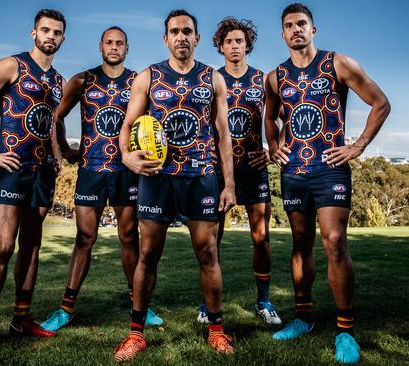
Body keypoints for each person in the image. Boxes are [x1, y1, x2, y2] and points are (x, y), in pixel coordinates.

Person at [264, 3, 390, 364]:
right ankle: (303, 318)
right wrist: (274, 146)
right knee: (301, 243)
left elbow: (380, 103)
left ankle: (345, 330)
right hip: (294, 173)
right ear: (283, 34)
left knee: (334, 242)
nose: (295, 30)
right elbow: (269, 118)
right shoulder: (276, 77)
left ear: (313, 29)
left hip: (330, 167)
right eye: (288, 25)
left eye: (301, 23)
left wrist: (358, 145)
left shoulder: (339, 64)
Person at [113, 9, 236, 362]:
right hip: (157, 177)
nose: (181, 37)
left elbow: (223, 134)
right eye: (174, 32)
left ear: (196, 38)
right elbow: (128, 123)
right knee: (148, 254)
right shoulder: (149, 77)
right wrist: (126, 156)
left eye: (187, 31)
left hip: (200, 177)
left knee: (208, 252)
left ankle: (216, 330)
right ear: (165, 39)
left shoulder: (212, 78)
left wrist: (229, 184)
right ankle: (135, 334)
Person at [0, 9, 67, 351]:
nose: (51, 36)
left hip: (43, 172)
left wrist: (58, 153)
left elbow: (51, 122)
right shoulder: (12, 66)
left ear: (62, 39)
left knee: (32, 248)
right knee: (3, 247)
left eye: (57, 32)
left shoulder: (58, 80)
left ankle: (22, 320)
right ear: (34, 33)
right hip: (11, 168)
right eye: (45, 30)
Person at [42, 26, 163, 333]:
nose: (113, 47)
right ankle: (66, 308)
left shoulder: (139, 81)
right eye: (108, 42)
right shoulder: (83, 80)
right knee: (85, 238)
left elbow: (150, 122)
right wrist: (67, 150)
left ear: (127, 48)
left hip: (126, 171)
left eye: (119, 43)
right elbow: (58, 116)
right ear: (100, 47)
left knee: (128, 238)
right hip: (92, 169)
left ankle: (139, 305)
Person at [196, 17, 281, 326]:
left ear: (248, 45)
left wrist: (274, 150)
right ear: (221, 46)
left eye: (239, 41)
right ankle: (208, 303)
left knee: (261, 237)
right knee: (211, 239)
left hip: (253, 169)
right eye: (229, 41)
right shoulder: (209, 80)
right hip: (218, 172)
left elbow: (284, 116)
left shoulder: (263, 80)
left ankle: (263, 301)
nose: (234, 46)